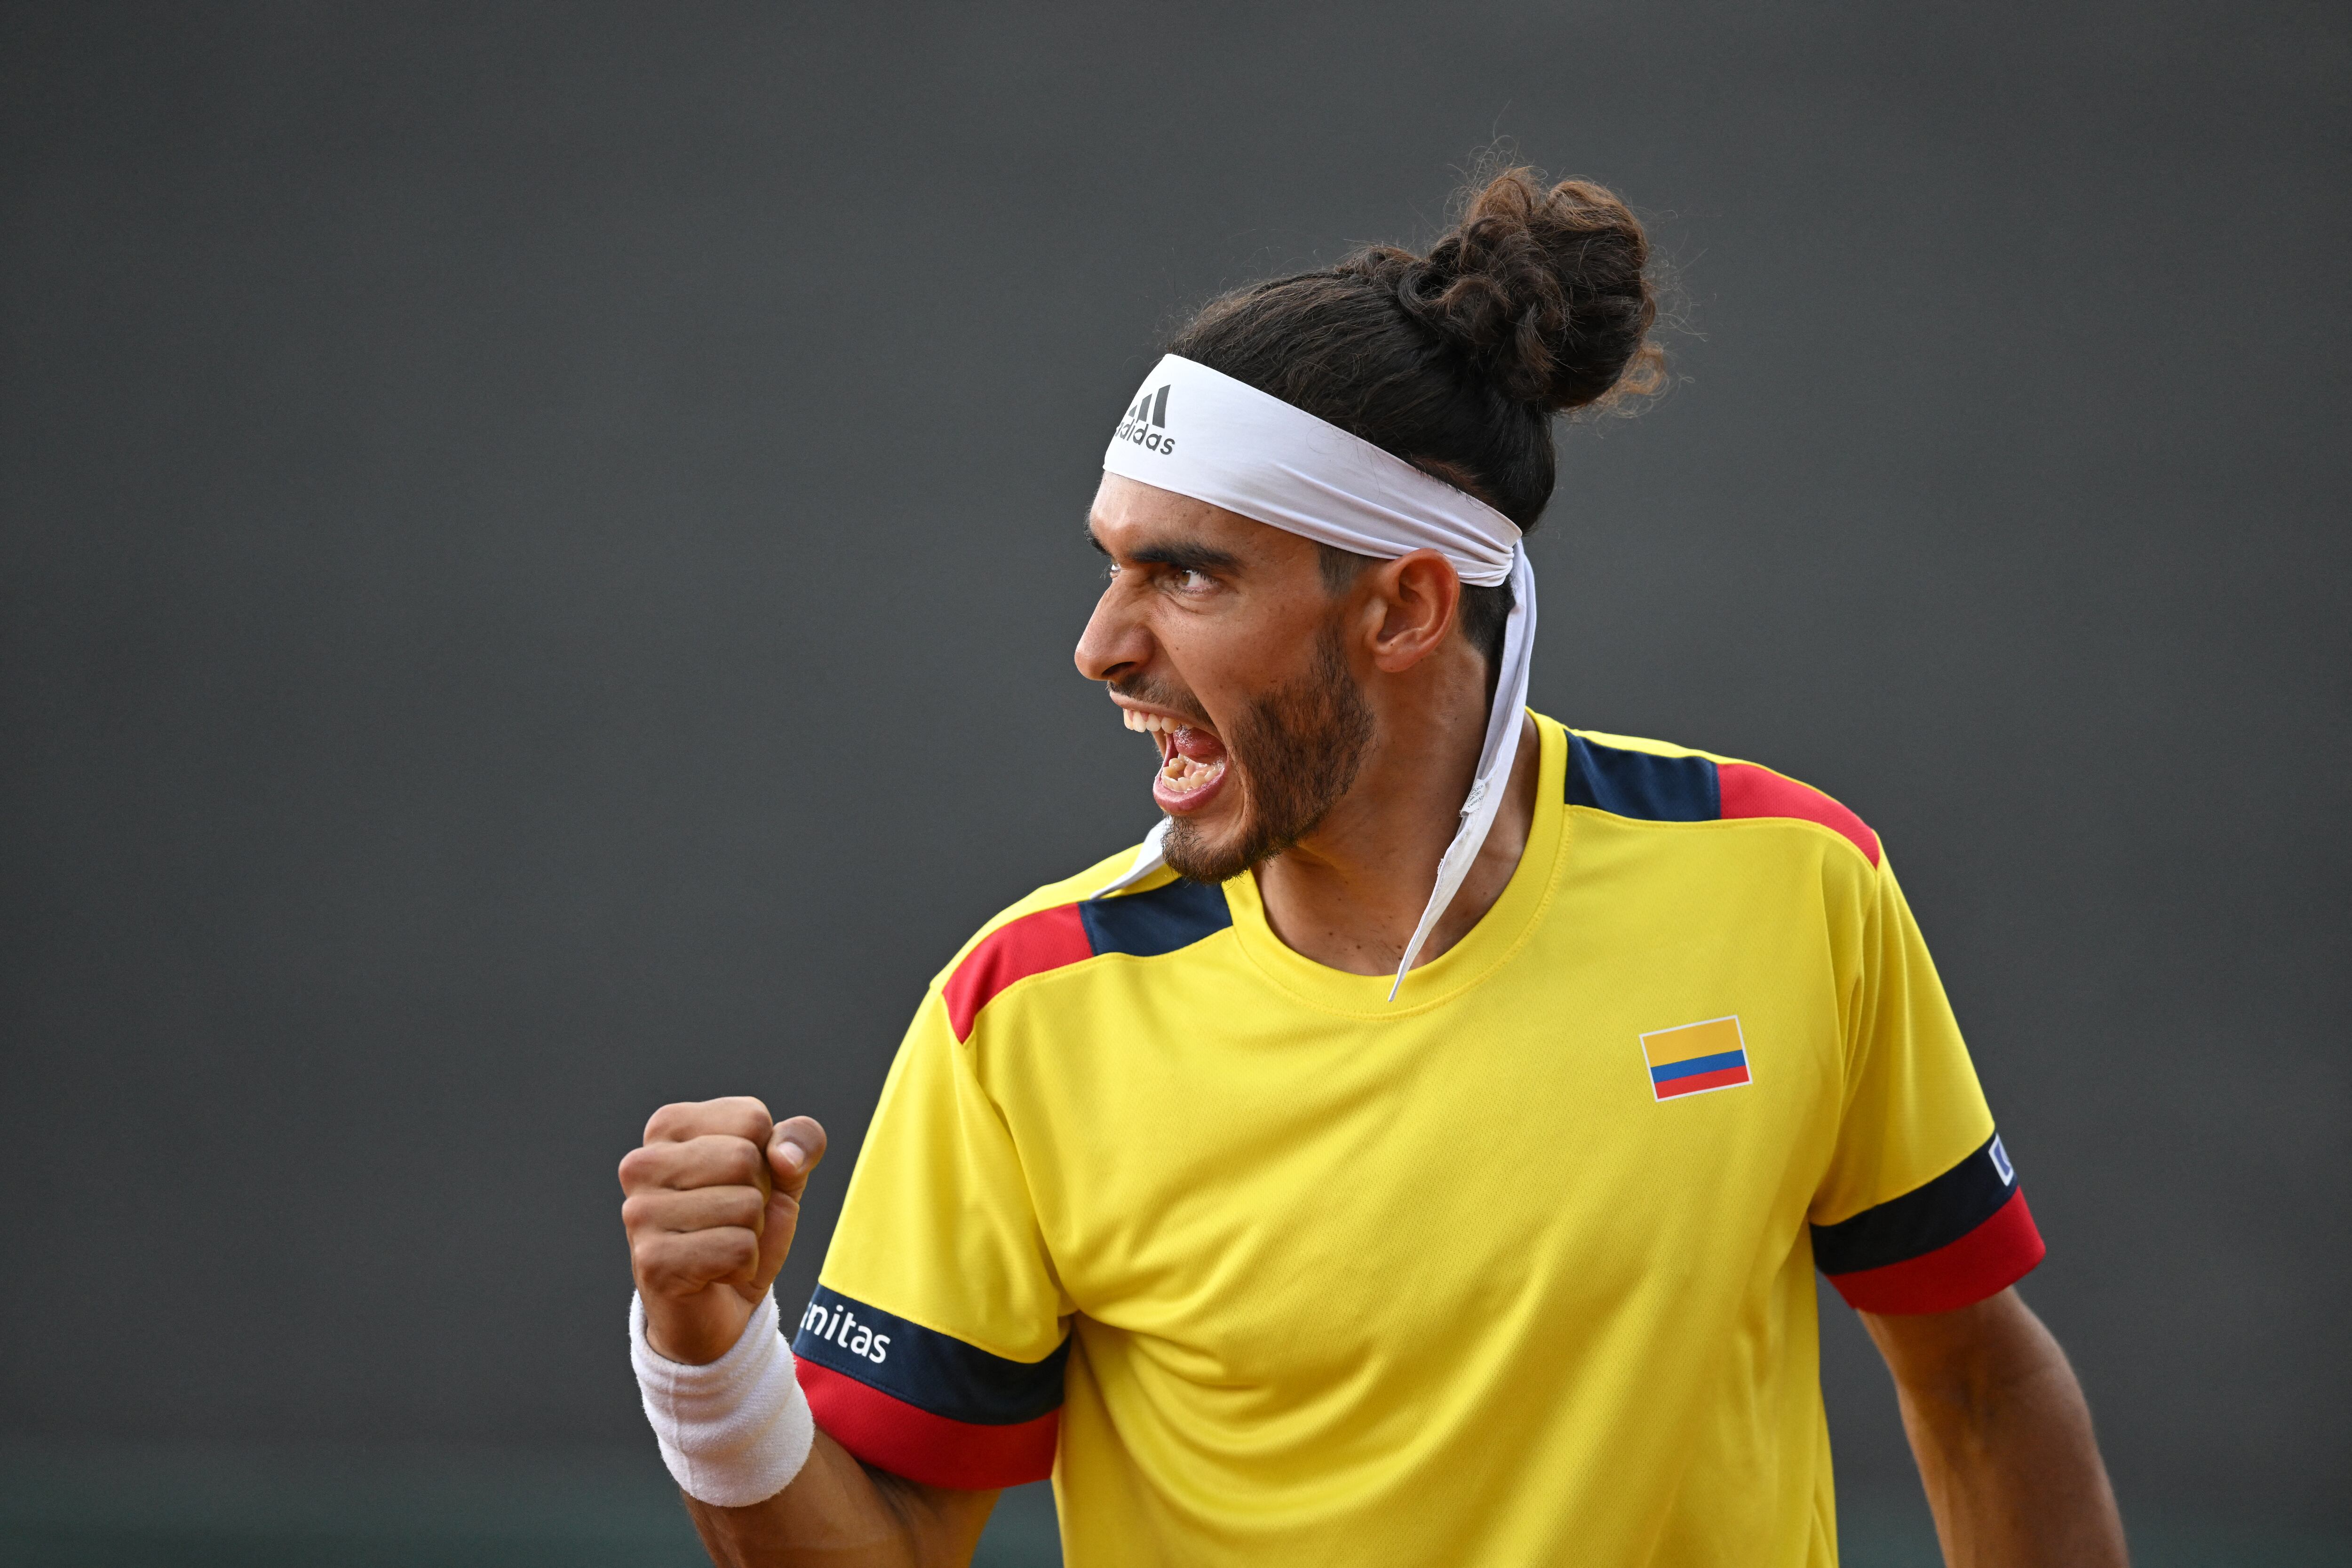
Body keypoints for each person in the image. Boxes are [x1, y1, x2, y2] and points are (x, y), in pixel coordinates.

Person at [617, 168, 2130, 1567]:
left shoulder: (1792, 879)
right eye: (1111, 562)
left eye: (1188, 573)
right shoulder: (1022, 1008)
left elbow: (1979, 1384)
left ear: (1404, 609)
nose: (1101, 647)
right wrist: (706, 1358)